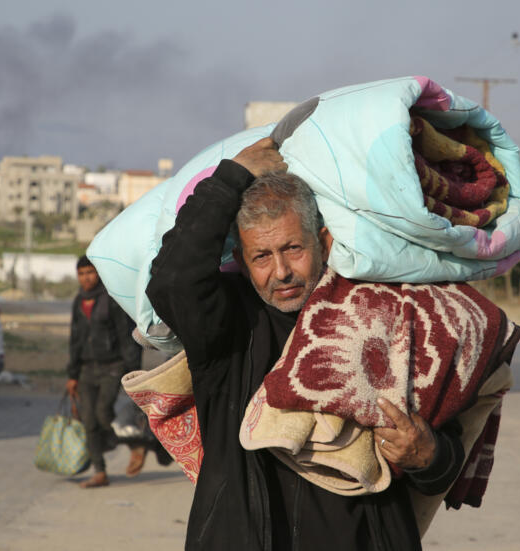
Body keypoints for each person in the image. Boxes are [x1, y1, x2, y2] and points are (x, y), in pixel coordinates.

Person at [146, 138, 465, 550]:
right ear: (242, 263)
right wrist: (231, 178)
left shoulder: (387, 315)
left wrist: (428, 455)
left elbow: (448, 454)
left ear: (325, 242)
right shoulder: (228, 326)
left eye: (293, 248)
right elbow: (174, 281)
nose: (280, 271)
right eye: (261, 256)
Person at [65, 256, 144, 488]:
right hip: (87, 369)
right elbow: (75, 340)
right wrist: (72, 374)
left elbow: (125, 335)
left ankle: (133, 444)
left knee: (102, 412)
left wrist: (133, 371)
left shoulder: (110, 300)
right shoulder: (79, 301)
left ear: (97, 273)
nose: (86, 277)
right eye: (81, 273)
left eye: (90, 272)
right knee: (88, 420)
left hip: (112, 366)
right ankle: (100, 472)